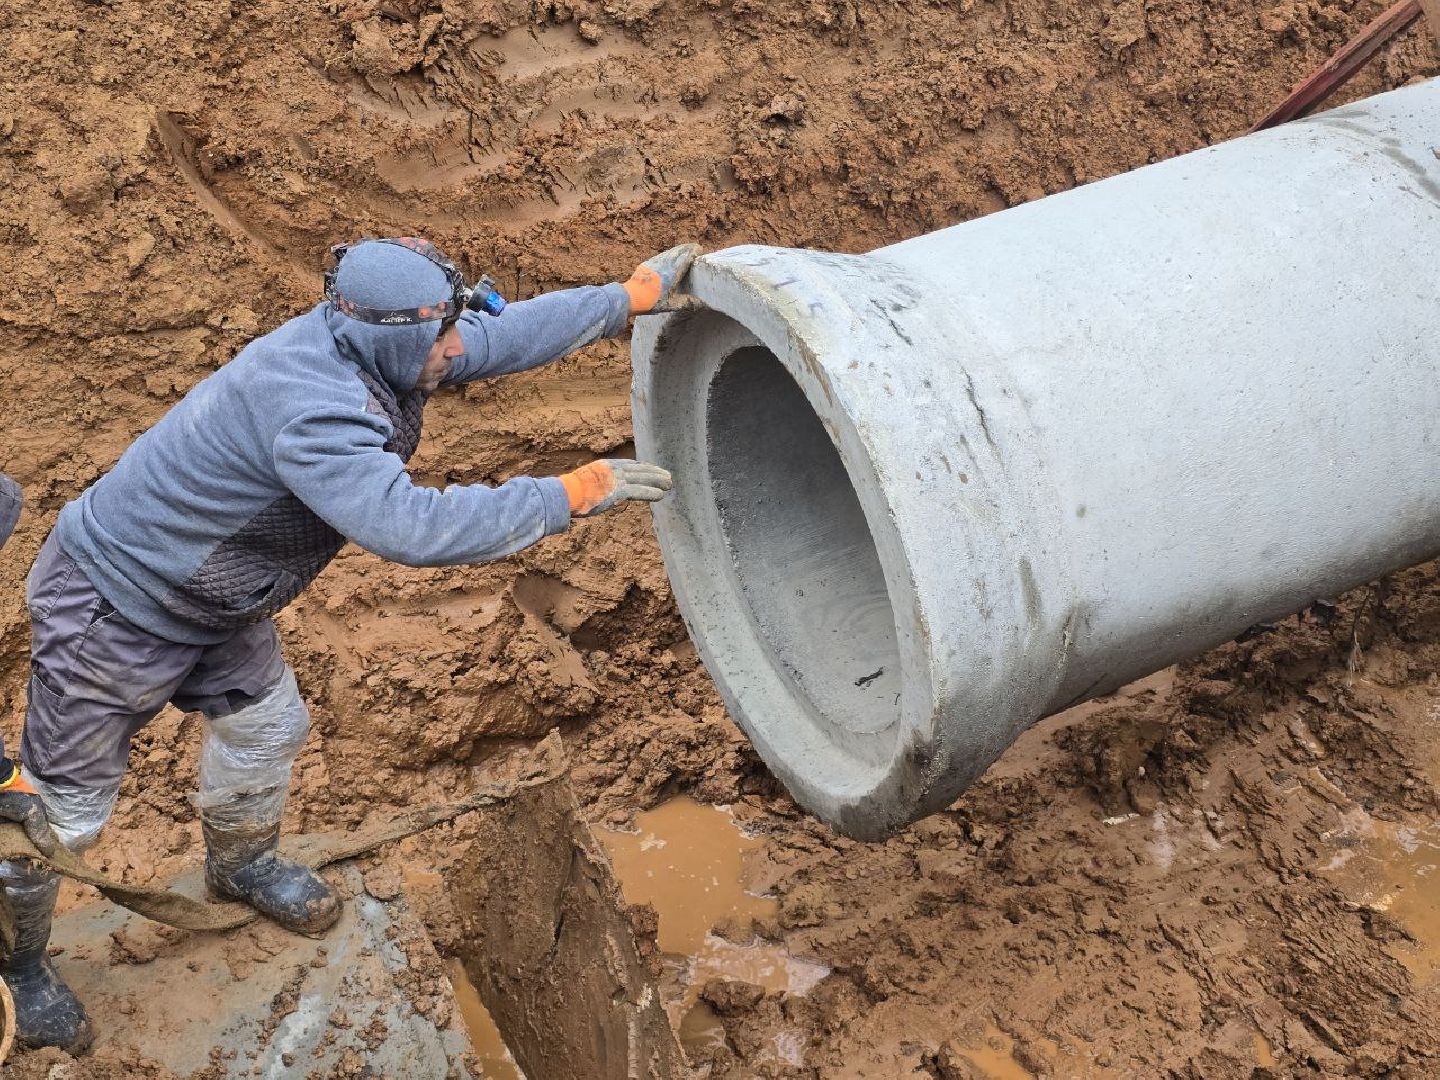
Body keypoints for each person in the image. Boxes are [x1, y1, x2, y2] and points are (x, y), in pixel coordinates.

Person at [0, 237, 697, 1052]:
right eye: (440, 342)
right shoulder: (314, 408)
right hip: (115, 605)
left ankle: (240, 865)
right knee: (60, 815)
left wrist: (625, 298)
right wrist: (566, 494)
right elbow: (410, 527)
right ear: (395, 339)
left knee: (267, 730)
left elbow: (496, 338)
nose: (455, 352)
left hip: (212, 597)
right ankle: (18, 965)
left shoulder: (377, 338)